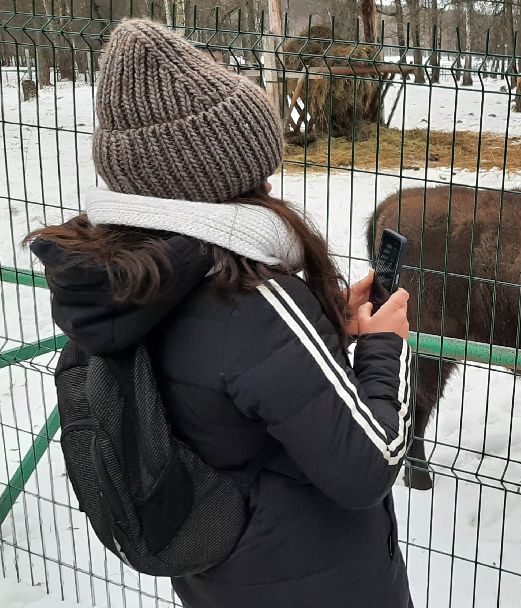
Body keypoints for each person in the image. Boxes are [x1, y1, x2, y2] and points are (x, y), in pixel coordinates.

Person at [27, 19, 413, 607]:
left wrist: (326, 318)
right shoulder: (254, 301)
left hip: (222, 579)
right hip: (320, 582)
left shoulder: (131, 281)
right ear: (222, 168)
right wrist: (384, 345)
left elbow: (220, 377)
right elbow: (368, 465)